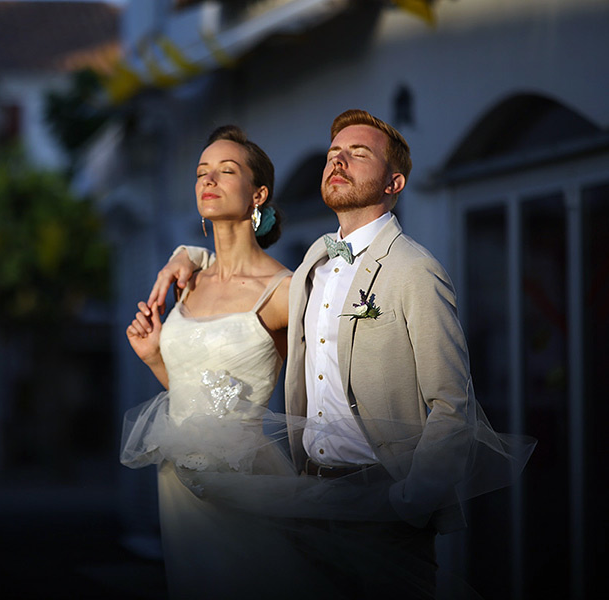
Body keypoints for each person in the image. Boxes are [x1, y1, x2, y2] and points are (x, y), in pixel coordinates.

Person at [144, 109, 535, 598]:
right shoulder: (313, 266)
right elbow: (238, 278)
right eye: (334, 154)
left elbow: (452, 406)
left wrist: (408, 501)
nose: (339, 161)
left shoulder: (414, 270)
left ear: (394, 182)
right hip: (308, 499)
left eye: (358, 153)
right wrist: (192, 254)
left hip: (383, 503)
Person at [120, 125, 315, 598]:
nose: (209, 180)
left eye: (226, 171)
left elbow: (309, 392)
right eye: (202, 172)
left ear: (258, 193)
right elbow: (193, 389)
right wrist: (153, 359)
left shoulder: (284, 291)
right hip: (178, 481)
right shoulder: (190, 278)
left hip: (243, 478)